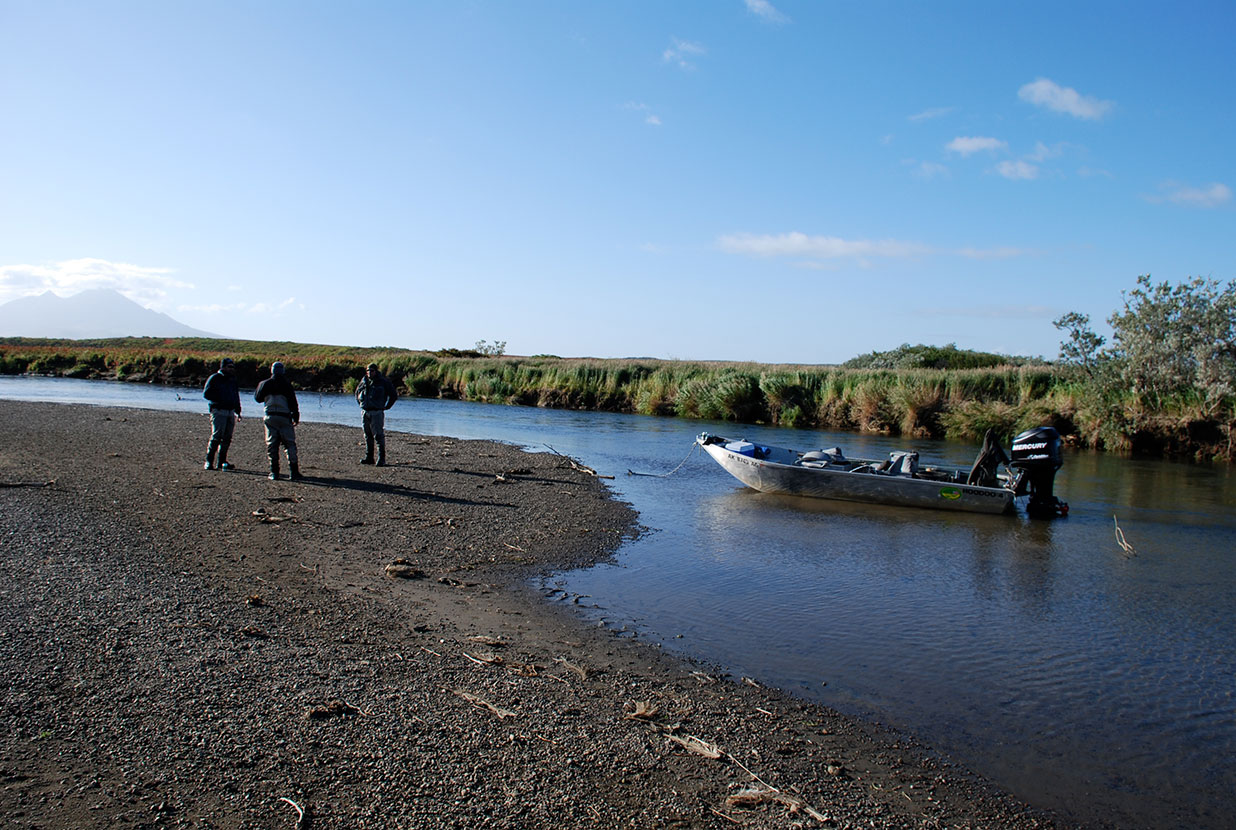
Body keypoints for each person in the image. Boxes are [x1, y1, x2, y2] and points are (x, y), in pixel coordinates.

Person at [254, 361, 301, 481]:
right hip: (284, 417)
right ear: (283, 371)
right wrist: (296, 417)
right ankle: (294, 472)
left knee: (272, 445)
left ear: (272, 371)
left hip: (270, 417)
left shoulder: (264, 384)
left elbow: (257, 398)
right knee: (289, 444)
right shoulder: (287, 385)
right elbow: (293, 404)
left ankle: (274, 472)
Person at [202, 357, 241, 470]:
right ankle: (209, 461)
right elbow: (206, 394)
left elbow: (236, 395)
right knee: (216, 436)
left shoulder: (232, 380)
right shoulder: (215, 378)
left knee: (227, 437)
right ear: (223, 367)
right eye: (229, 367)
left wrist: (238, 410)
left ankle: (221, 461)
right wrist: (220, 400)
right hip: (218, 411)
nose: (231, 369)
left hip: (230, 412)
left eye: (232, 367)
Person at [355, 362, 398, 466]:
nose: (369, 373)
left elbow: (393, 395)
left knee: (378, 436)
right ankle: (369, 457)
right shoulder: (364, 381)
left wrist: (387, 407)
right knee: (367, 435)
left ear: (376, 371)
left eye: (372, 371)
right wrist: (361, 404)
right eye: (368, 371)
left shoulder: (383, 382)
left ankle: (381, 459)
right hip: (365, 411)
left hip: (377, 412)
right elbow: (357, 394)